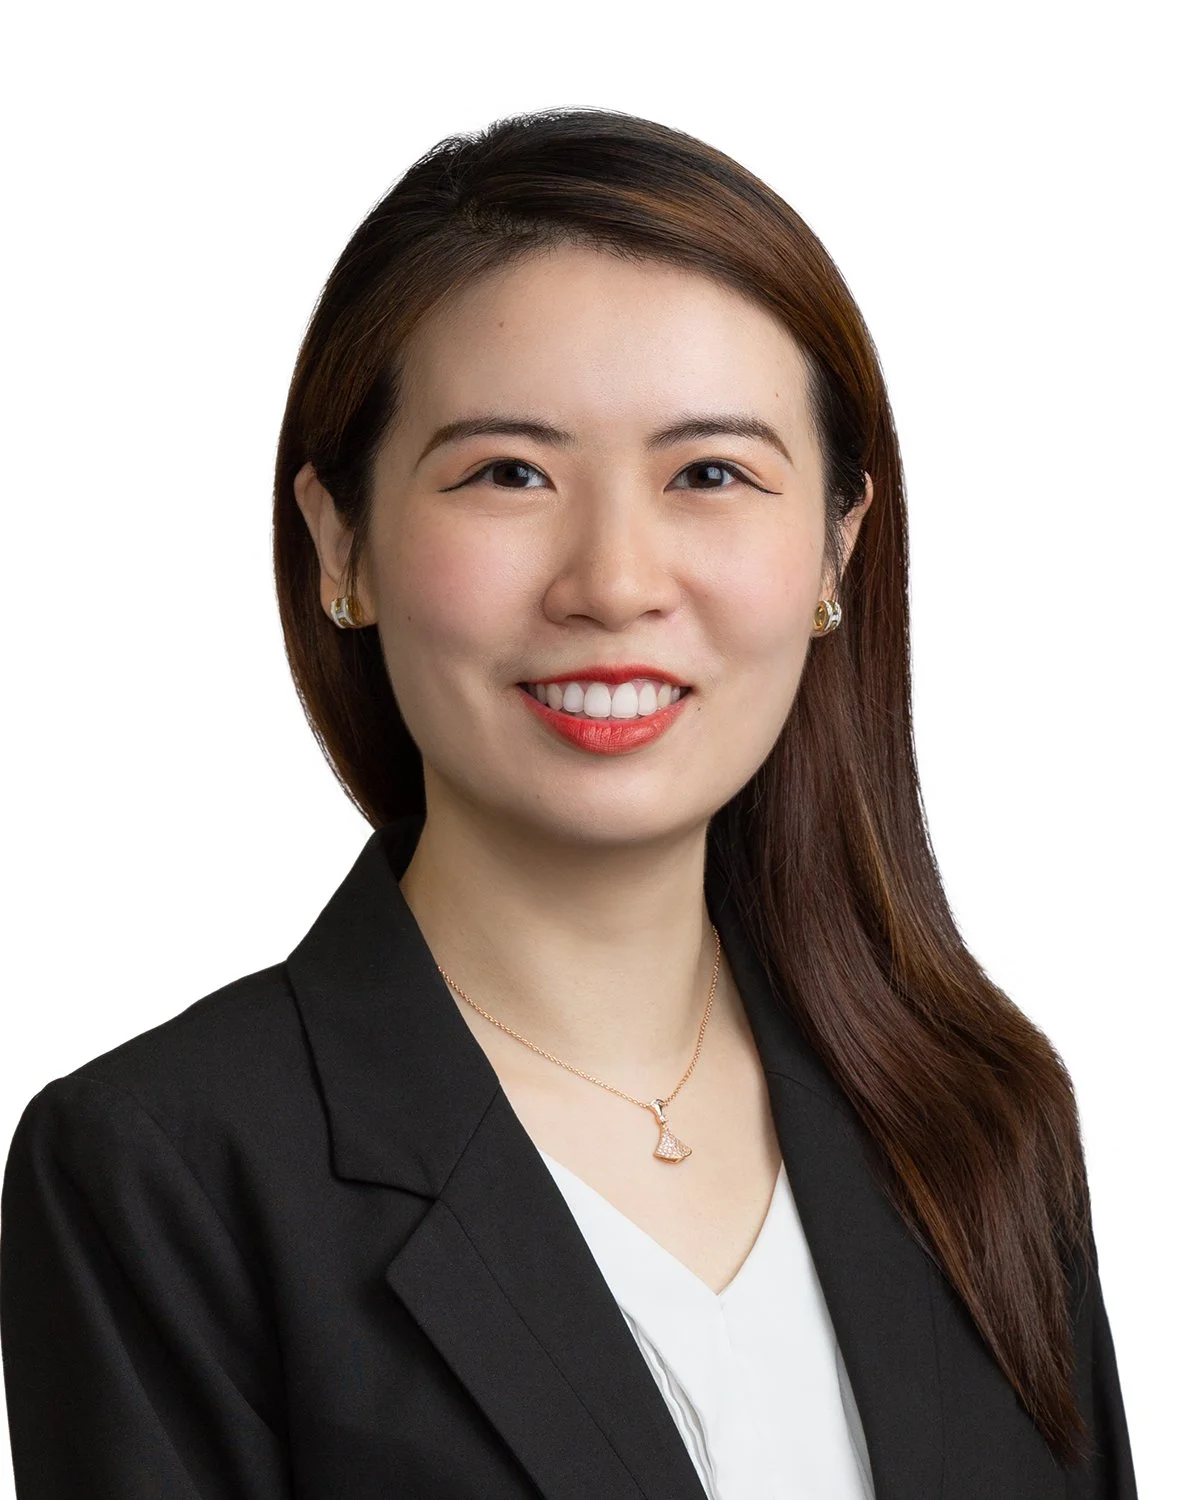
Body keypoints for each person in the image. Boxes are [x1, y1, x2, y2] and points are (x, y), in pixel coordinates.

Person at [0, 108, 1137, 1499]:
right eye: (509, 473)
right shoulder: (166, 1172)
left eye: (710, 473)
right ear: (339, 542)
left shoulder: (977, 1123)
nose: (613, 580)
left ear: (837, 544)